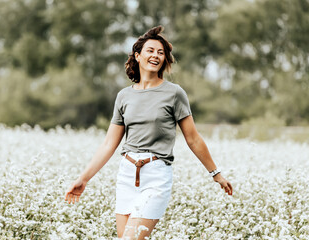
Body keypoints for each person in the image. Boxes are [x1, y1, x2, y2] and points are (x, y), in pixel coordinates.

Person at [65, 26, 233, 240]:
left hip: (156, 175)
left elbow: (193, 139)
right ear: (138, 55)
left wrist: (216, 174)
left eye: (161, 53)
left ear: (165, 60)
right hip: (126, 174)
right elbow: (109, 144)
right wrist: (84, 179)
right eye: (150, 50)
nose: (156, 56)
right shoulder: (124, 96)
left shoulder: (174, 93)